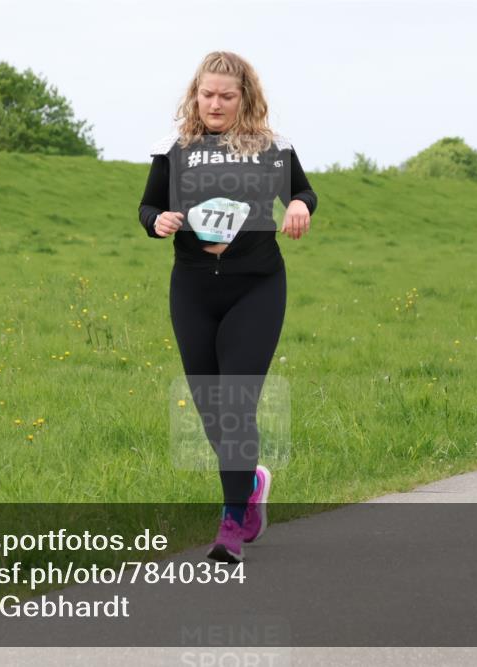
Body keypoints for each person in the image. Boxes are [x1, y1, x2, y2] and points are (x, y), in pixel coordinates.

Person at [138, 51, 318, 563]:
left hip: (255, 286)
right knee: (209, 406)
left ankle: (232, 523)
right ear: (195, 94)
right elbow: (147, 207)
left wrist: (301, 205)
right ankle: (252, 481)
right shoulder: (173, 148)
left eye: (227, 96)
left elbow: (301, 191)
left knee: (236, 404)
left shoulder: (271, 147)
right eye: (207, 94)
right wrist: (158, 222)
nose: (215, 104)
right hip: (193, 288)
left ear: (245, 98)